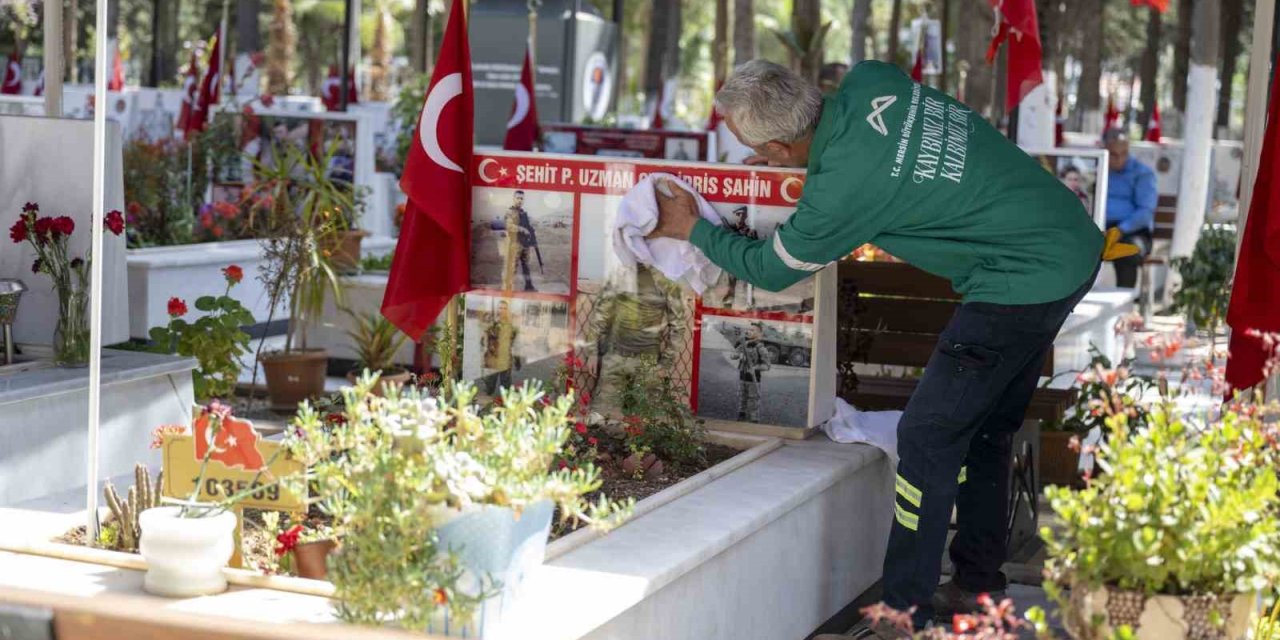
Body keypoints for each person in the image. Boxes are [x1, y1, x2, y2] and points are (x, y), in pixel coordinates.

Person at [648, 60, 1103, 638]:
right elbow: (888, 162)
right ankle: (978, 583)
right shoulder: (872, 80)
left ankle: (903, 615)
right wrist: (807, 165)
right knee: (985, 427)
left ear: (783, 146)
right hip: (1068, 241)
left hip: (1020, 283)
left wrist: (694, 231)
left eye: (759, 150)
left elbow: (771, 268)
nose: (756, 158)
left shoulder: (839, 193)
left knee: (927, 437)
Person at [1102, 128, 1158, 288]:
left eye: (1124, 153)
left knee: (1128, 251)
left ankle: (1125, 304)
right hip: (1099, 228)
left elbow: (1146, 212)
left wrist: (1120, 229)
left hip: (1131, 231)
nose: (1119, 159)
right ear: (1104, 150)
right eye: (1113, 154)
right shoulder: (1096, 169)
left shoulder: (1142, 173)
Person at [729, 323, 771, 422]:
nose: (749, 331)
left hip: (753, 379)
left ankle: (753, 418)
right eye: (749, 329)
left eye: (753, 330)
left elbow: (767, 366)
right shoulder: (744, 344)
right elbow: (733, 354)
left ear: (759, 334)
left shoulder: (760, 348)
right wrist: (738, 356)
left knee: (753, 399)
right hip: (742, 377)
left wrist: (756, 368)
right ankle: (741, 414)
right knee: (742, 397)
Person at [503, 190, 539, 292]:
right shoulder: (509, 212)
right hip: (514, 244)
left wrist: (531, 232)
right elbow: (509, 226)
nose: (520, 200)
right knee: (512, 267)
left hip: (525, 244)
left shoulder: (523, 213)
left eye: (522, 198)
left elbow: (528, 226)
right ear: (514, 198)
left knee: (526, 266)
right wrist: (522, 229)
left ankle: (529, 286)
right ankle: (508, 289)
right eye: (518, 198)